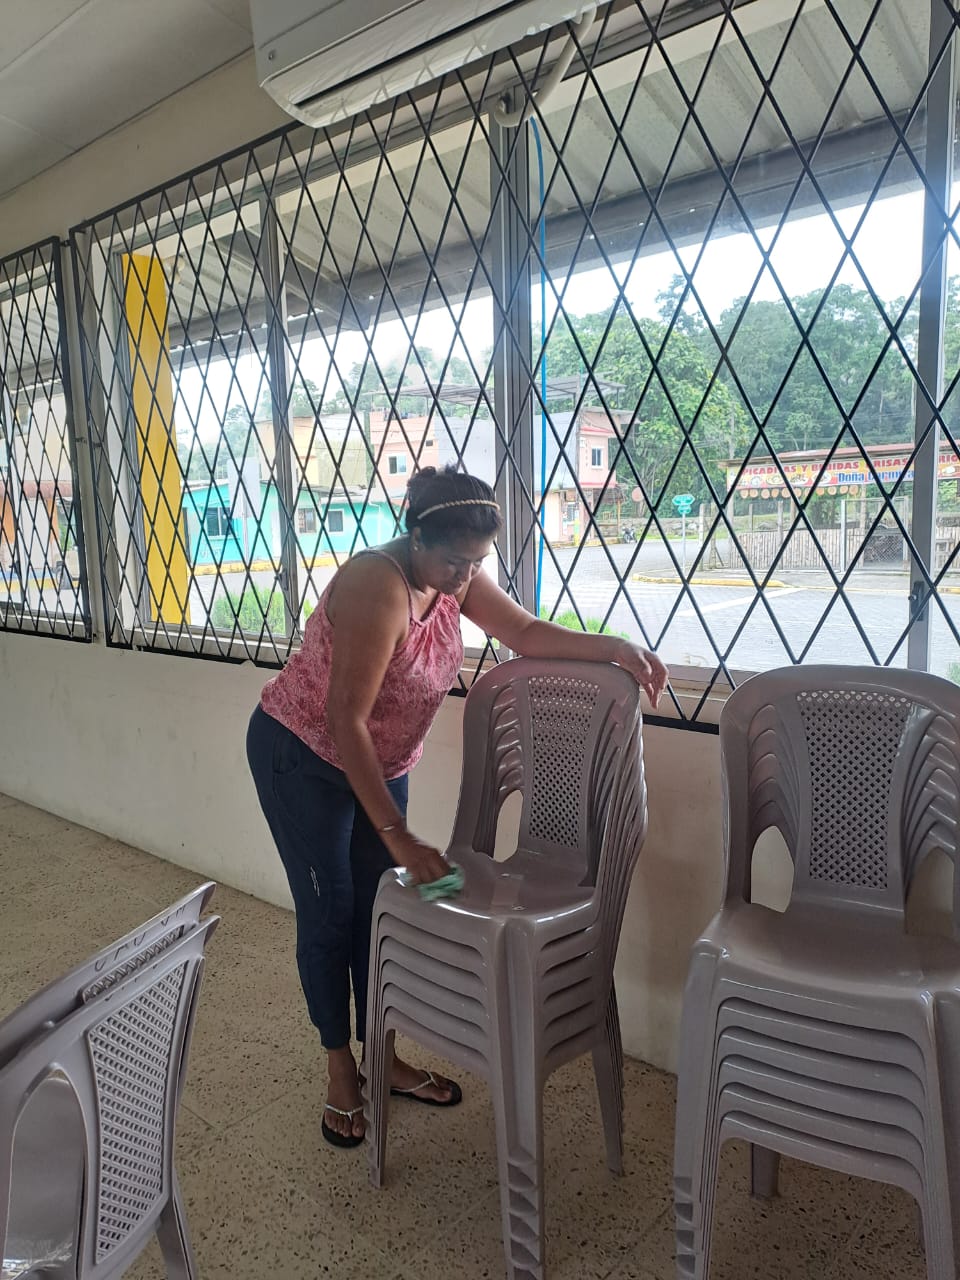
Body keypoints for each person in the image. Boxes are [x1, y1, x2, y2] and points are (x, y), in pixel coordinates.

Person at [246, 465, 668, 1149]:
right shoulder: (377, 586)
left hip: (379, 764)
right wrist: (398, 834)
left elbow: (524, 631)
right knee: (330, 912)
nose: (465, 576)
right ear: (416, 536)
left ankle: (383, 1055)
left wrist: (617, 648)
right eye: (455, 561)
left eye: (477, 563)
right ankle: (340, 1065)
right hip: (304, 756)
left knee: (376, 911)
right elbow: (345, 719)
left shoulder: (452, 573)